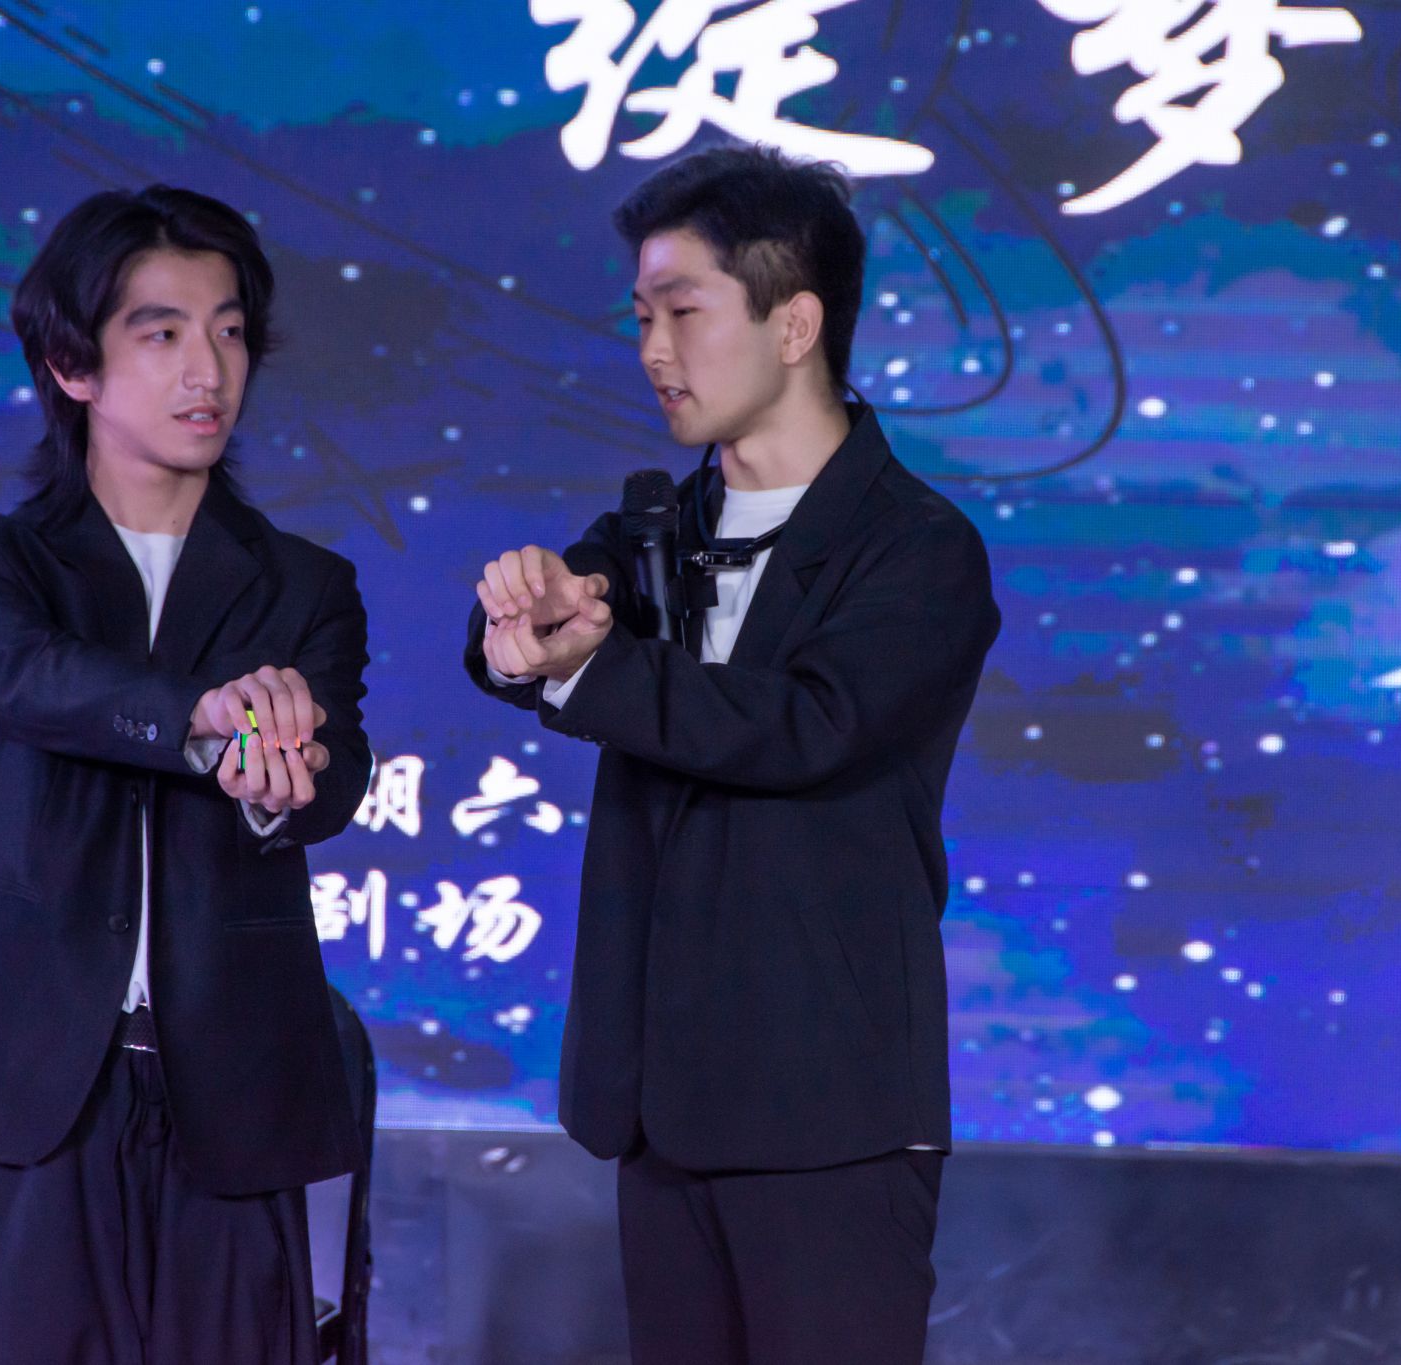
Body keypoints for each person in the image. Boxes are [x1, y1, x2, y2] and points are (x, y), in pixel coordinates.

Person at [464, 145, 1000, 1364]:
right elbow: (529, 635)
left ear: (794, 323)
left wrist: (586, 668)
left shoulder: (915, 548)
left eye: (682, 312)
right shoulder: (656, 525)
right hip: (659, 1107)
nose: (652, 349)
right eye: (640, 318)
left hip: (826, 1114)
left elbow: (804, 726)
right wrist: (518, 630)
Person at [0, 183, 372, 1365]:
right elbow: (24, 679)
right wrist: (203, 716)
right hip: (39, 1081)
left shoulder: (304, 584)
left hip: (233, 1083)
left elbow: (335, 778)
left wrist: (282, 778)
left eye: (228, 331)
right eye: (162, 332)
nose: (207, 369)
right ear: (71, 364)